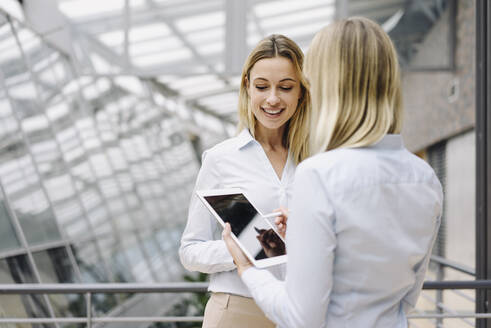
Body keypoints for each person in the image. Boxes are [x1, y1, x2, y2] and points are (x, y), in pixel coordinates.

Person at [223, 17, 443, 328]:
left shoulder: (319, 175)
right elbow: (406, 300)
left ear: (327, 86)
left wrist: (248, 268)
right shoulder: (425, 178)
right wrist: (302, 234)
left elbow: (302, 317)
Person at [179, 34, 310, 328]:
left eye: (286, 87)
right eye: (262, 86)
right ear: (247, 88)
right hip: (239, 311)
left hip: (305, 312)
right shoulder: (222, 159)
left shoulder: (316, 159)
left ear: (301, 92)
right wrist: (245, 248)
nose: (273, 98)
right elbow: (190, 250)